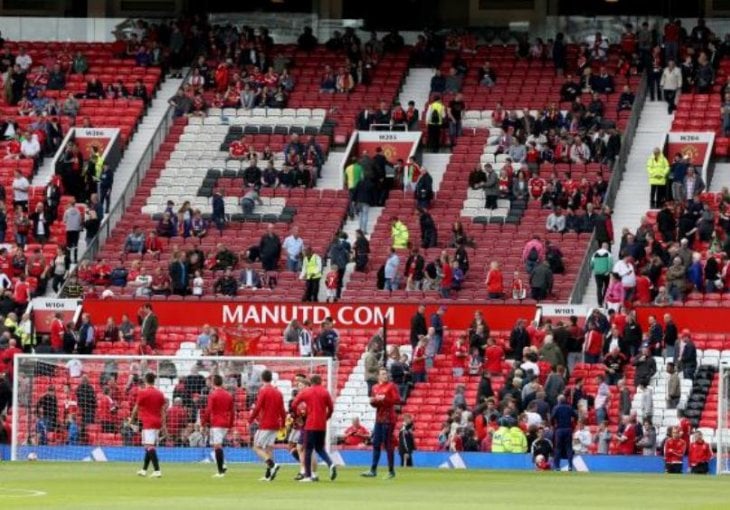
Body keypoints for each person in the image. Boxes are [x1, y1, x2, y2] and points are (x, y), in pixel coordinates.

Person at [291, 374, 337, 482]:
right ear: (320, 381)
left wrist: (298, 416)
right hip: (322, 426)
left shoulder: (306, 392)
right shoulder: (325, 392)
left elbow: (293, 404)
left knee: (307, 450)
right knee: (320, 448)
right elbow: (331, 408)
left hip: (310, 425)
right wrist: (326, 418)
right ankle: (331, 464)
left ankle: (308, 476)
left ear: (310, 382)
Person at [361, 368, 400, 479]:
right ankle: (373, 470)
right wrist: (373, 402)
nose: (385, 375)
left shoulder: (391, 386)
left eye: (386, 373)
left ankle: (391, 471)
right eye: (382, 374)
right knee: (376, 444)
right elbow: (375, 405)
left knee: (388, 444)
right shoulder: (375, 387)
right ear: (378, 376)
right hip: (379, 419)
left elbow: (397, 399)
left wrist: (385, 398)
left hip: (389, 419)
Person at [250, 369, 287, 481]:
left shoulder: (263, 390)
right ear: (271, 378)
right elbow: (282, 410)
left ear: (262, 378)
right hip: (276, 424)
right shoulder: (278, 392)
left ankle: (272, 465)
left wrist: (251, 419)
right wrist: (283, 424)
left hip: (266, 423)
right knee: (269, 449)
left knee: (256, 447)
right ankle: (269, 475)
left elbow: (258, 406)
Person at [131, 372, 166, 478]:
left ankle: (157, 470)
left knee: (150, 446)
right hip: (157, 422)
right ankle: (144, 470)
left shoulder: (143, 392)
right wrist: (163, 424)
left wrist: (131, 420)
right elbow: (163, 410)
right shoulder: (160, 393)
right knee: (148, 446)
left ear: (146, 380)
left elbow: (136, 408)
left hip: (148, 422)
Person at [203, 374, 234, 478]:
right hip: (225, 423)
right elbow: (232, 411)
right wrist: (230, 424)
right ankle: (223, 464)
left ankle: (220, 471)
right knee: (217, 445)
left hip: (216, 422)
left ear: (213, 383)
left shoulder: (213, 394)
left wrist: (204, 422)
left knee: (217, 446)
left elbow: (209, 410)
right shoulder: (228, 395)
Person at [551, 395, 577, 471]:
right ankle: (570, 466)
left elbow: (552, 418)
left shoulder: (556, 407)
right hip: (568, 429)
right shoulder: (569, 407)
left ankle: (557, 466)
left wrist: (553, 425)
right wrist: (573, 425)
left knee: (558, 448)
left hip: (559, 429)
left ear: (559, 400)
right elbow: (576, 416)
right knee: (568, 448)